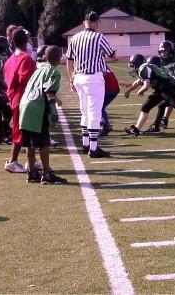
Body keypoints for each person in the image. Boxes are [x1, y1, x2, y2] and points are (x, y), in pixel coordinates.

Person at [66, 11, 115, 157]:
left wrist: (71, 79)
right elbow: (112, 55)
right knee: (94, 112)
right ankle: (93, 148)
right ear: (96, 23)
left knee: (85, 112)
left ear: (84, 22)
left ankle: (86, 144)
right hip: (93, 78)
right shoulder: (99, 37)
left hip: (78, 77)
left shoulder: (74, 38)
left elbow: (69, 60)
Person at [19, 46, 67, 185]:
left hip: (25, 104)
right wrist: (54, 114)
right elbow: (49, 93)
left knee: (29, 143)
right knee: (44, 143)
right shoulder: (54, 72)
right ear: (59, 58)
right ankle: (46, 174)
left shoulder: (38, 69)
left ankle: (32, 173)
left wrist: (57, 99)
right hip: (37, 108)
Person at [3, 29, 37, 171]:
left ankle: (32, 161)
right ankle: (13, 161)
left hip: (14, 97)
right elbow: (25, 79)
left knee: (24, 131)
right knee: (24, 132)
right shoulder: (25, 58)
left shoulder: (9, 60)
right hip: (23, 98)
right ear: (26, 40)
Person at [146, 41, 175, 132]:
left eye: (165, 51)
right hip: (169, 83)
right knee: (168, 100)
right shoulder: (159, 61)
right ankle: (164, 119)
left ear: (170, 51)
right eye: (161, 51)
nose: (163, 53)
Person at [101, 67, 120, 135]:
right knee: (100, 107)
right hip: (113, 89)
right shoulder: (102, 66)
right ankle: (105, 124)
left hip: (110, 90)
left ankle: (105, 125)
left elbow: (103, 75)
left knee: (99, 107)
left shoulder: (98, 67)